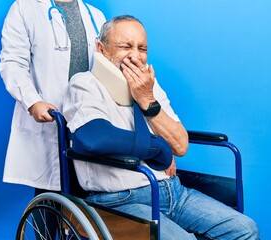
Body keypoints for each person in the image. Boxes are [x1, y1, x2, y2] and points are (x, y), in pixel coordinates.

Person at [63, 15, 260, 239]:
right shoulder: (85, 83)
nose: (134, 56)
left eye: (142, 48)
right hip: (121, 200)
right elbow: (95, 138)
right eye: (125, 46)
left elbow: (180, 145)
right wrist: (158, 148)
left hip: (174, 192)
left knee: (245, 229)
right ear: (101, 48)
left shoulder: (150, 85)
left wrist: (147, 99)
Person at [0, 1, 105, 238]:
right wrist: (32, 101)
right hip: (50, 123)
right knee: (48, 205)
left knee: (87, 211)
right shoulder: (25, 8)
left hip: (87, 126)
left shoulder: (95, 16)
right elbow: (12, 62)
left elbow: (107, 68)